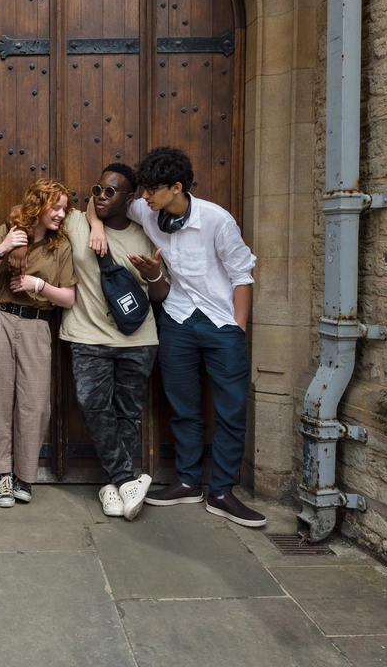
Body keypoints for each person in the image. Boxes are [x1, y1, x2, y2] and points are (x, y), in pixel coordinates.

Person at [89, 146, 264, 527]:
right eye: (144, 190)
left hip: (221, 325)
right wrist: (98, 225)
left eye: (152, 190)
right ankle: (187, 481)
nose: (144, 197)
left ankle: (221, 491)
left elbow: (242, 275)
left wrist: (238, 328)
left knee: (231, 410)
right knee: (183, 407)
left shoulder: (217, 221)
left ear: (177, 187)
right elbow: (99, 204)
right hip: (178, 321)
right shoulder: (146, 210)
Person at [59, 164, 170, 521]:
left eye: (111, 192)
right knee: (92, 403)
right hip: (87, 334)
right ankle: (126, 479)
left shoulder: (144, 235)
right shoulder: (77, 222)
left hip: (137, 340)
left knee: (127, 413)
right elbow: (28, 214)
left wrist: (154, 277)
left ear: (130, 198)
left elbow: (160, 294)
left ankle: (112, 487)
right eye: (97, 189)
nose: (101, 196)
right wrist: (94, 224)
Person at [0, 178, 77, 508]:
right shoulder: (8, 233)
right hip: (0, 318)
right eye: (55, 207)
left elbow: (69, 299)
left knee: (34, 402)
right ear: (39, 205)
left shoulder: (60, 245)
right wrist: (3, 251)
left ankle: (24, 476)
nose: (60, 214)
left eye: (64, 208)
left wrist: (39, 284)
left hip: (36, 325)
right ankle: (1, 475)